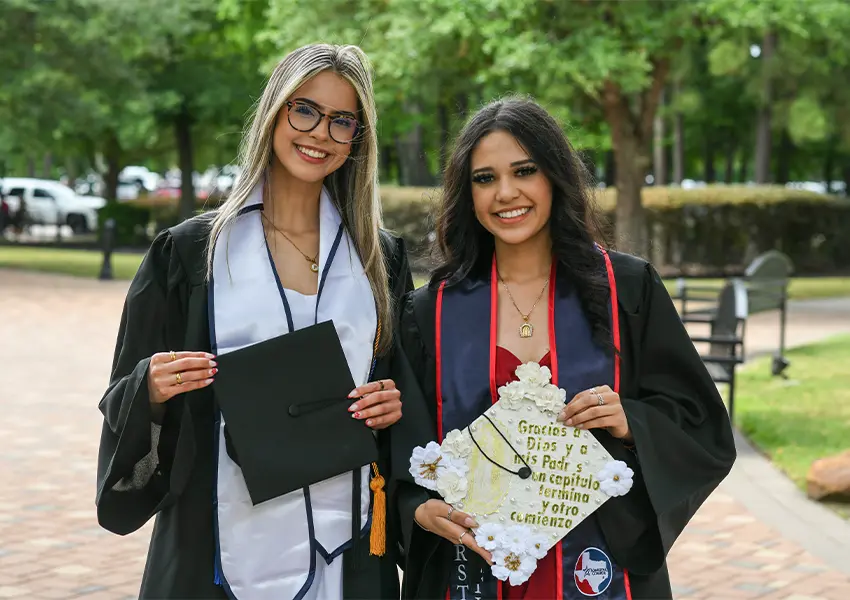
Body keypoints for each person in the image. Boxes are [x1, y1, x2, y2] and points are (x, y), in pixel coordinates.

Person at [96, 43, 418, 600]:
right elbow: (125, 390)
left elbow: (401, 393)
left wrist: (393, 405)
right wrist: (151, 388)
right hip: (222, 546)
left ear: (357, 139)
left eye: (342, 121)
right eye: (304, 109)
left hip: (349, 550)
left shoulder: (377, 259)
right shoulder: (192, 253)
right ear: (274, 112)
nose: (320, 133)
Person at [394, 97, 737, 600]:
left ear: (554, 175)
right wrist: (418, 509)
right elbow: (405, 453)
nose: (505, 192)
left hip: (599, 572)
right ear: (466, 194)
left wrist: (630, 421)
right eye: (484, 178)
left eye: (524, 170)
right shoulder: (429, 313)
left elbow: (699, 423)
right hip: (471, 574)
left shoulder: (627, 290)